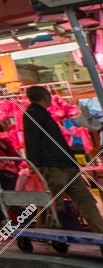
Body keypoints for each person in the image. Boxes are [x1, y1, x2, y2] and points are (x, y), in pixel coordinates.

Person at [22, 85, 103, 233]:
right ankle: (45, 234)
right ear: (46, 97)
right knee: (54, 203)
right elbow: (31, 141)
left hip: (66, 165)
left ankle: (100, 231)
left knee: (85, 200)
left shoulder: (42, 113)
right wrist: (34, 165)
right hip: (53, 166)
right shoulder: (33, 114)